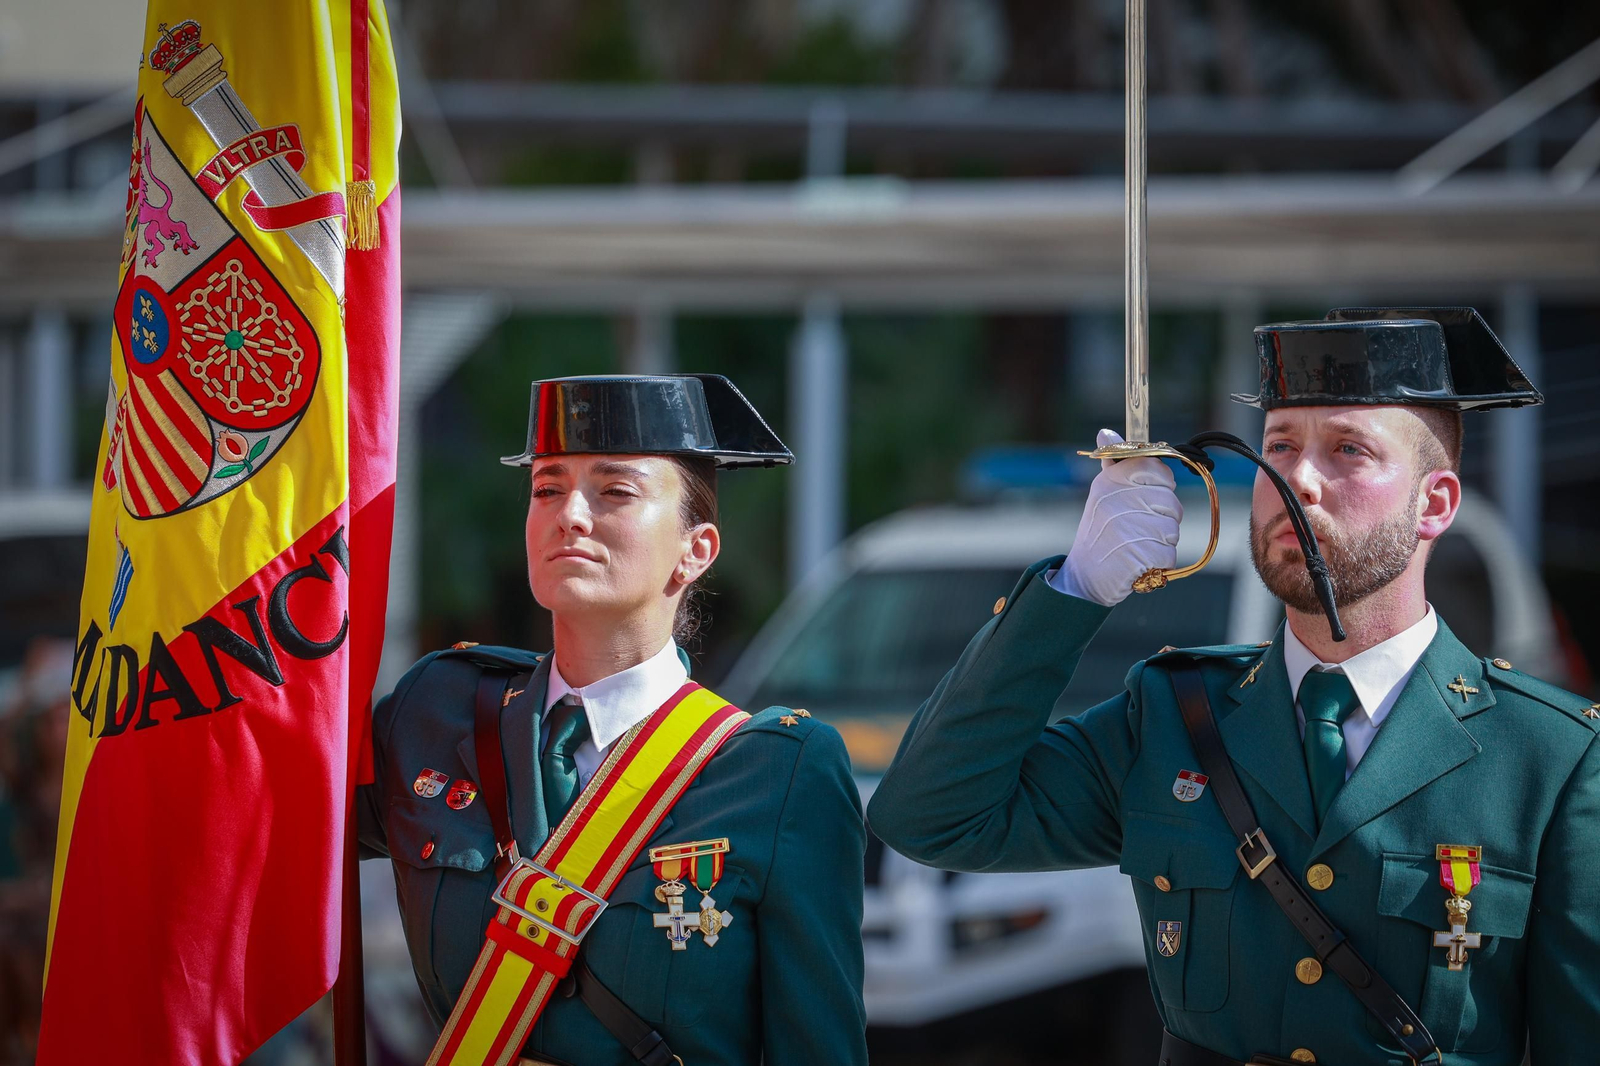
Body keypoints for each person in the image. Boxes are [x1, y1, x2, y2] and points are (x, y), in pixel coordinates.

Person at [868, 308, 1598, 1065]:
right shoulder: (1171, 715)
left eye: (1348, 450)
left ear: (1434, 504)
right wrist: (1074, 589)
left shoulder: (1550, 758)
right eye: (1279, 446)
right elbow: (929, 817)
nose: (1298, 480)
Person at [359, 374, 867, 1066]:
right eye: (547, 488)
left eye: (616, 491)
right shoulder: (437, 710)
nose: (570, 514)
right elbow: (273, 824)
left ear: (696, 550)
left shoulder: (779, 772)